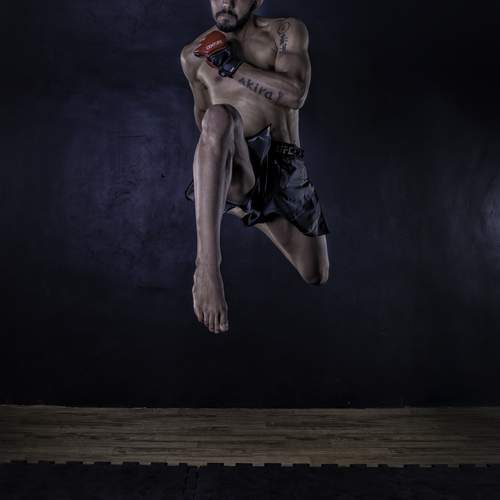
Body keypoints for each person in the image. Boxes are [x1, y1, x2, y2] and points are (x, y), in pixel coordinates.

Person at [180, 0, 331, 334]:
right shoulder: (192, 56)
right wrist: (225, 152)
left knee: (316, 272)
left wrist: (232, 66)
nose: (226, 2)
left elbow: (295, 94)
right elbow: (204, 122)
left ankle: (249, 211)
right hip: (239, 166)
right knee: (218, 117)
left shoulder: (285, 32)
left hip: (282, 163)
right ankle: (207, 268)